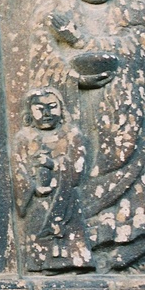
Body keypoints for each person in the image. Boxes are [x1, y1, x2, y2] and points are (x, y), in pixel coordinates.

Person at [28, 0, 145, 269]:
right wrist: (72, 74)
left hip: (127, 111)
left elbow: (137, 47)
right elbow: (42, 61)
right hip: (79, 108)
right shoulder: (58, 13)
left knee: (132, 173)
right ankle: (82, 245)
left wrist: (80, 41)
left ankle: (130, 250)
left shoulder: (134, 12)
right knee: (78, 170)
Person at [13, 88, 94, 273]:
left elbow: (77, 171)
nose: (47, 113)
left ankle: (74, 263)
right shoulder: (23, 138)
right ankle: (39, 263)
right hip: (39, 201)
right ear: (30, 112)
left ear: (62, 109)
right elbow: (19, 169)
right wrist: (33, 187)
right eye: (39, 108)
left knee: (70, 236)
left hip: (66, 201)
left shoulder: (72, 135)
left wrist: (53, 164)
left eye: (52, 107)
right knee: (38, 236)